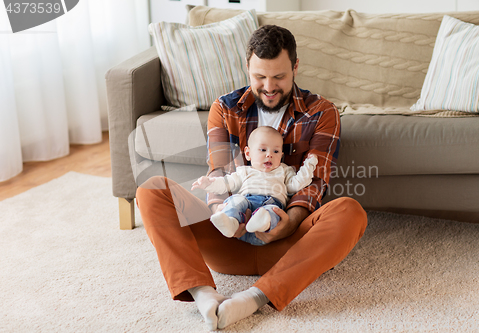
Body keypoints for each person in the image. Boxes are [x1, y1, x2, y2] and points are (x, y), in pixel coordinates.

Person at [136, 24, 367, 330]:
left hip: (289, 245)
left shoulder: (322, 112)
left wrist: (289, 223)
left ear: (295, 67)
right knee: (152, 189)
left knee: (350, 211)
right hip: (229, 237)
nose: (269, 86)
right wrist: (223, 213)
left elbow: (314, 184)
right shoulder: (225, 108)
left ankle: (254, 298)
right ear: (247, 67)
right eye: (259, 76)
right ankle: (204, 294)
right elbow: (220, 174)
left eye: (279, 77)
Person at [191, 126, 318, 246]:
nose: (270, 154)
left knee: (272, 211)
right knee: (235, 201)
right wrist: (208, 183)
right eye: (263, 150)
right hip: (245, 208)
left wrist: (309, 165)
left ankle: (263, 223)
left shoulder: (283, 170)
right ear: (248, 153)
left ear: (281, 155)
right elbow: (226, 183)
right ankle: (231, 223)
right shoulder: (244, 171)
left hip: (270, 206)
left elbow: (296, 184)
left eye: (276, 151)